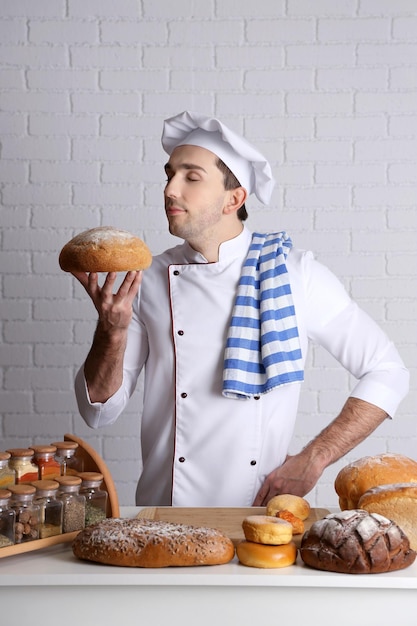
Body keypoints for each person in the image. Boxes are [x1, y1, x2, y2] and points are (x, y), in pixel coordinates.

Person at [72, 111, 409, 507]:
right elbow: (99, 412)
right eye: (170, 175)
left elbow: (389, 372)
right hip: (162, 514)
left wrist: (315, 457)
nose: (169, 189)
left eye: (191, 177)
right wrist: (111, 331)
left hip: (256, 517)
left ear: (234, 198)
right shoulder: (148, 277)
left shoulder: (294, 274)